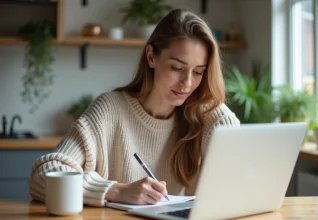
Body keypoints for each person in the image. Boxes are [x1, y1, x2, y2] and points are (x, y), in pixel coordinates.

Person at [29, 9, 240, 207]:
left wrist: (210, 102)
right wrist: (116, 191)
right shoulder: (110, 110)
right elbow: (44, 175)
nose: (187, 83)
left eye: (198, 72)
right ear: (151, 57)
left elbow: (242, 172)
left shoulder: (201, 114)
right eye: (177, 68)